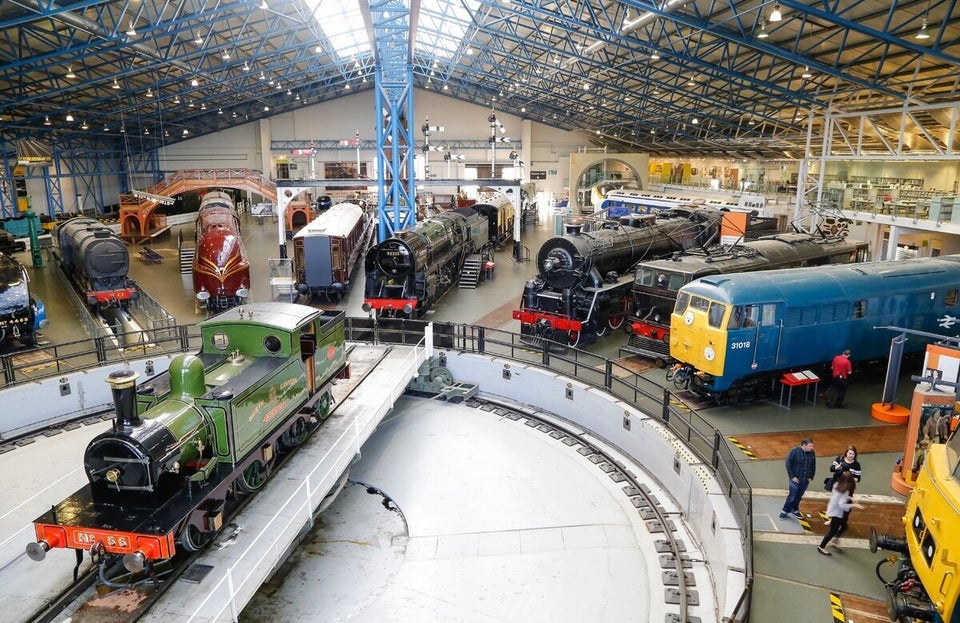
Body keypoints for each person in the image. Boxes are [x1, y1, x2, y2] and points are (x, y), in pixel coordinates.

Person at [818, 472, 861, 555]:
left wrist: (850, 498)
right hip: (837, 513)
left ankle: (835, 540)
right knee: (832, 531)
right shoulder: (844, 491)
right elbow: (842, 505)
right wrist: (854, 505)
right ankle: (821, 546)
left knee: (844, 526)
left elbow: (840, 497)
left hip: (833, 509)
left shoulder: (837, 485)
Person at [823, 445, 862, 525]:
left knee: (846, 504)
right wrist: (837, 467)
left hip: (848, 488)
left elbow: (858, 478)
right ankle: (832, 520)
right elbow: (831, 469)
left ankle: (844, 521)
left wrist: (850, 478)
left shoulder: (856, 465)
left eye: (853, 454)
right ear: (846, 453)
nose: (851, 456)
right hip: (837, 486)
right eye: (850, 453)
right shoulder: (839, 459)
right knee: (835, 503)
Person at [780, 438, 816, 520]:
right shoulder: (794, 451)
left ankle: (794, 509)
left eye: (812, 446)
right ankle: (785, 510)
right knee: (792, 496)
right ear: (804, 445)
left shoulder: (812, 453)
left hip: (805, 480)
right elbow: (788, 464)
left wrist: (811, 476)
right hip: (795, 480)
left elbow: (813, 465)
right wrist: (792, 476)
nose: (812, 448)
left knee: (799, 496)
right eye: (810, 446)